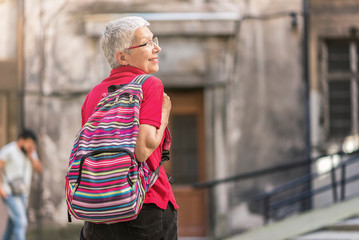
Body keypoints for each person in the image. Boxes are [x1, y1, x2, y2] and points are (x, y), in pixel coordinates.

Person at [79, 16, 178, 240]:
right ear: (122, 56)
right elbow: (143, 151)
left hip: (99, 208)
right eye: (147, 43)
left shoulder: (93, 95)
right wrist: (165, 113)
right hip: (146, 204)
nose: (157, 48)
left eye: (155, 40)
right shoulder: (149, 84)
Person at [0, 129, 43, 240]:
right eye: (30, 143)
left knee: (12, 225)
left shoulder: (31, 152)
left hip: (23, 194)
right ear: (22, 140)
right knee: (22, 223)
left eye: (33, 144)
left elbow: (39, 169)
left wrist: (32, 157)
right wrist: (1, 189)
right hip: (9, 193)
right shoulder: (9, 150)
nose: (32, 146)